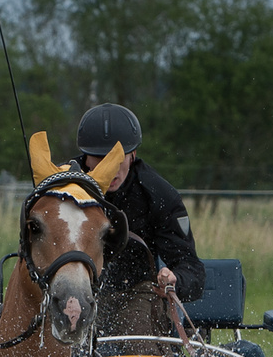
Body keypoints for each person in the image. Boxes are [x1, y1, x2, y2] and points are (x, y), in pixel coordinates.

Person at [74, 103, 205, 305]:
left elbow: (191, 268)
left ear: (133, 154)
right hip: (73, 288)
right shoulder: (63, 189)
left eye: (117, 158)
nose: (110, 169)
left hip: (136, 295)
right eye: (100, 159)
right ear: (85, 158)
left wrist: (174, 279)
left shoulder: (160, 196)